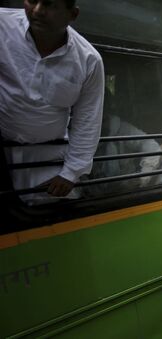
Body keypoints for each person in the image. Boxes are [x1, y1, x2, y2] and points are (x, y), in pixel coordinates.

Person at [0, 0, 104, 203]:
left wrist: (71, 173)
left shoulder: (89, 60)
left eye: (49, 4)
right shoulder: (3, 25)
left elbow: (88, 121)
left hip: (48, 162)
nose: (37, 10)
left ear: (72, 14)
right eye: (32, 0)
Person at [87, 115, 161, 194]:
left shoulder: (121, 128)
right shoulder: (83, 138)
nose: (102, 123)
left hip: (128, 190)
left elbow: (151, 145)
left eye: (104, 119)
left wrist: (143, 177)